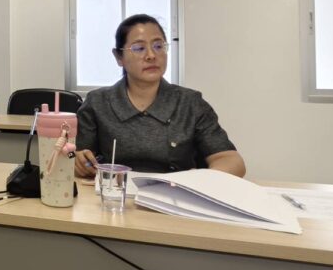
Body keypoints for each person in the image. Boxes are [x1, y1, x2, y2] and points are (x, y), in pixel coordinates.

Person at [74, 14, 246, 177]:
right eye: (139, 48)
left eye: (158, 46)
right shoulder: (98, 103)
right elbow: (77, 157)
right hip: (114, 194)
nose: (151, 55)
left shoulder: (190, 103)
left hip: (175, 195)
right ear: (119, 57)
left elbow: (231, 160)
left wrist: (200, 182)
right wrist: (80, 163)